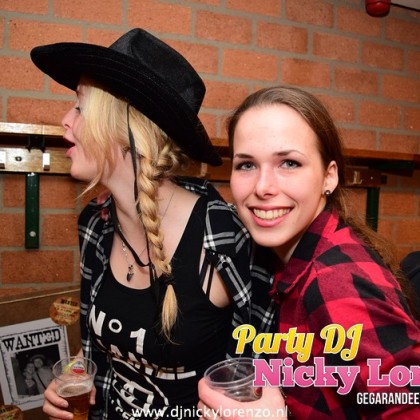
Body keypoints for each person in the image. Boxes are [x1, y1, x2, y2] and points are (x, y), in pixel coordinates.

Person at [30, 29, 276, 419]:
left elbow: (267, 366)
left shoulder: (223, 236)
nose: (65, 121)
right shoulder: (94, 224)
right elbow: (108, 344)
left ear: (125, 128)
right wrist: (75, 374)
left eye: (79, 107)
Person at [198, 86, 420, 419]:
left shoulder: (333, 282)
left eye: (289, 163)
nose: (262, 187)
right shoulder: (286, 258)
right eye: (246, 165)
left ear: (329, 177)